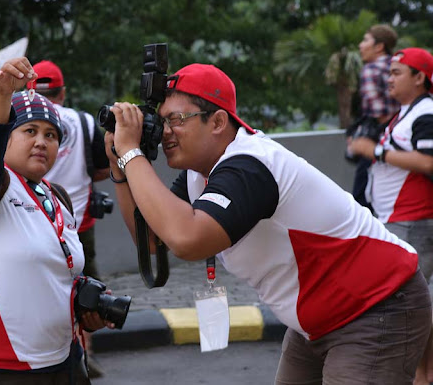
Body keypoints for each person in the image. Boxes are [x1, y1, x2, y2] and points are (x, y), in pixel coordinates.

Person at [105, 62, 431, 384]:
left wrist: (131, 152)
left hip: (376, 306)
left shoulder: (250, 166)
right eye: (161, 121)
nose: (164, 133)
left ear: (218, 122)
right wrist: (120, 167)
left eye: (175, 120)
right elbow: (153, 240)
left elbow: (188, 240)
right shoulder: (199, 174)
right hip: (316, 320)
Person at [0, 57, 112, 384]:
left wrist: (85, 306)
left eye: (51, 135)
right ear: (7, 138)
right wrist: (1, 92)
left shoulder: (57, 197)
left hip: (60, 363)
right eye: (29, 131)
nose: (42, 141)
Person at [348, 47, 433, 385]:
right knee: (416, 301)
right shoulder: (407, 112)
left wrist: (377, 151)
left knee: (410, 303)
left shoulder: (424, 112)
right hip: (399, 219)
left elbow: (428, 162)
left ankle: (421, 376)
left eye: (398, 72)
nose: (389, 78)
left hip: (412, 219)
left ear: (420, 78)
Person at [26, 60, 110, 280]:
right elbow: (103, 169)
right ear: (62, 93)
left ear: (29, 92)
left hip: (33, 222)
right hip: (79, 221)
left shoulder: (19, 124)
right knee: (88, 283)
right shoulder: (86, 122)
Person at [349, 24, 400, 209]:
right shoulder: (398, 65)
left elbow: (379, 113)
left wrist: (362, 140)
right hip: (402, 140)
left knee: (361, 198)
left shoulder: (371, 69)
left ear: (379, 46)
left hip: (379, 141)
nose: (361, 46)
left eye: (365, 40)